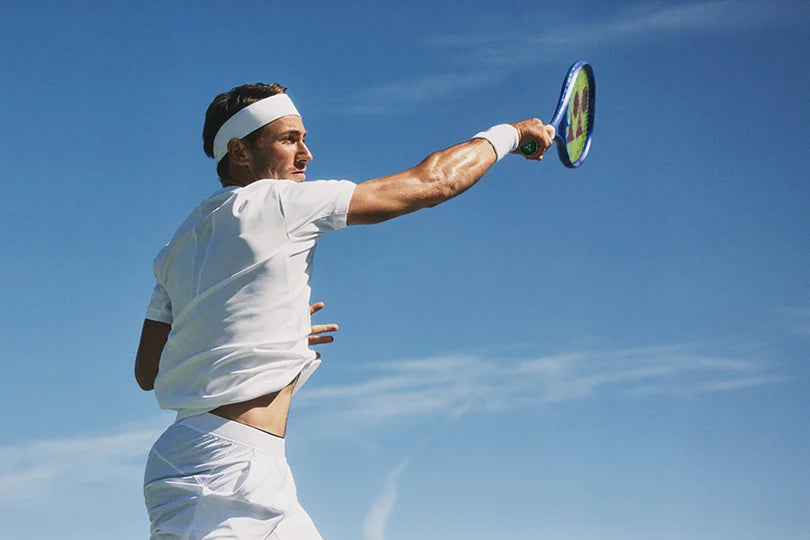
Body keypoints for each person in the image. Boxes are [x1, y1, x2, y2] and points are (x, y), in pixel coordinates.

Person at [135, 82, 554, 539]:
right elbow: (435, 181)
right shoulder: (280, 202)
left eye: (304, 139)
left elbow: (148, 371)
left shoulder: (176, 247)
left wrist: (267, 331)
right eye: (289, 139)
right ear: (239, 151)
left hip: (227, 464)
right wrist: (510, 134)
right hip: (217, 475)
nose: (306, 154)